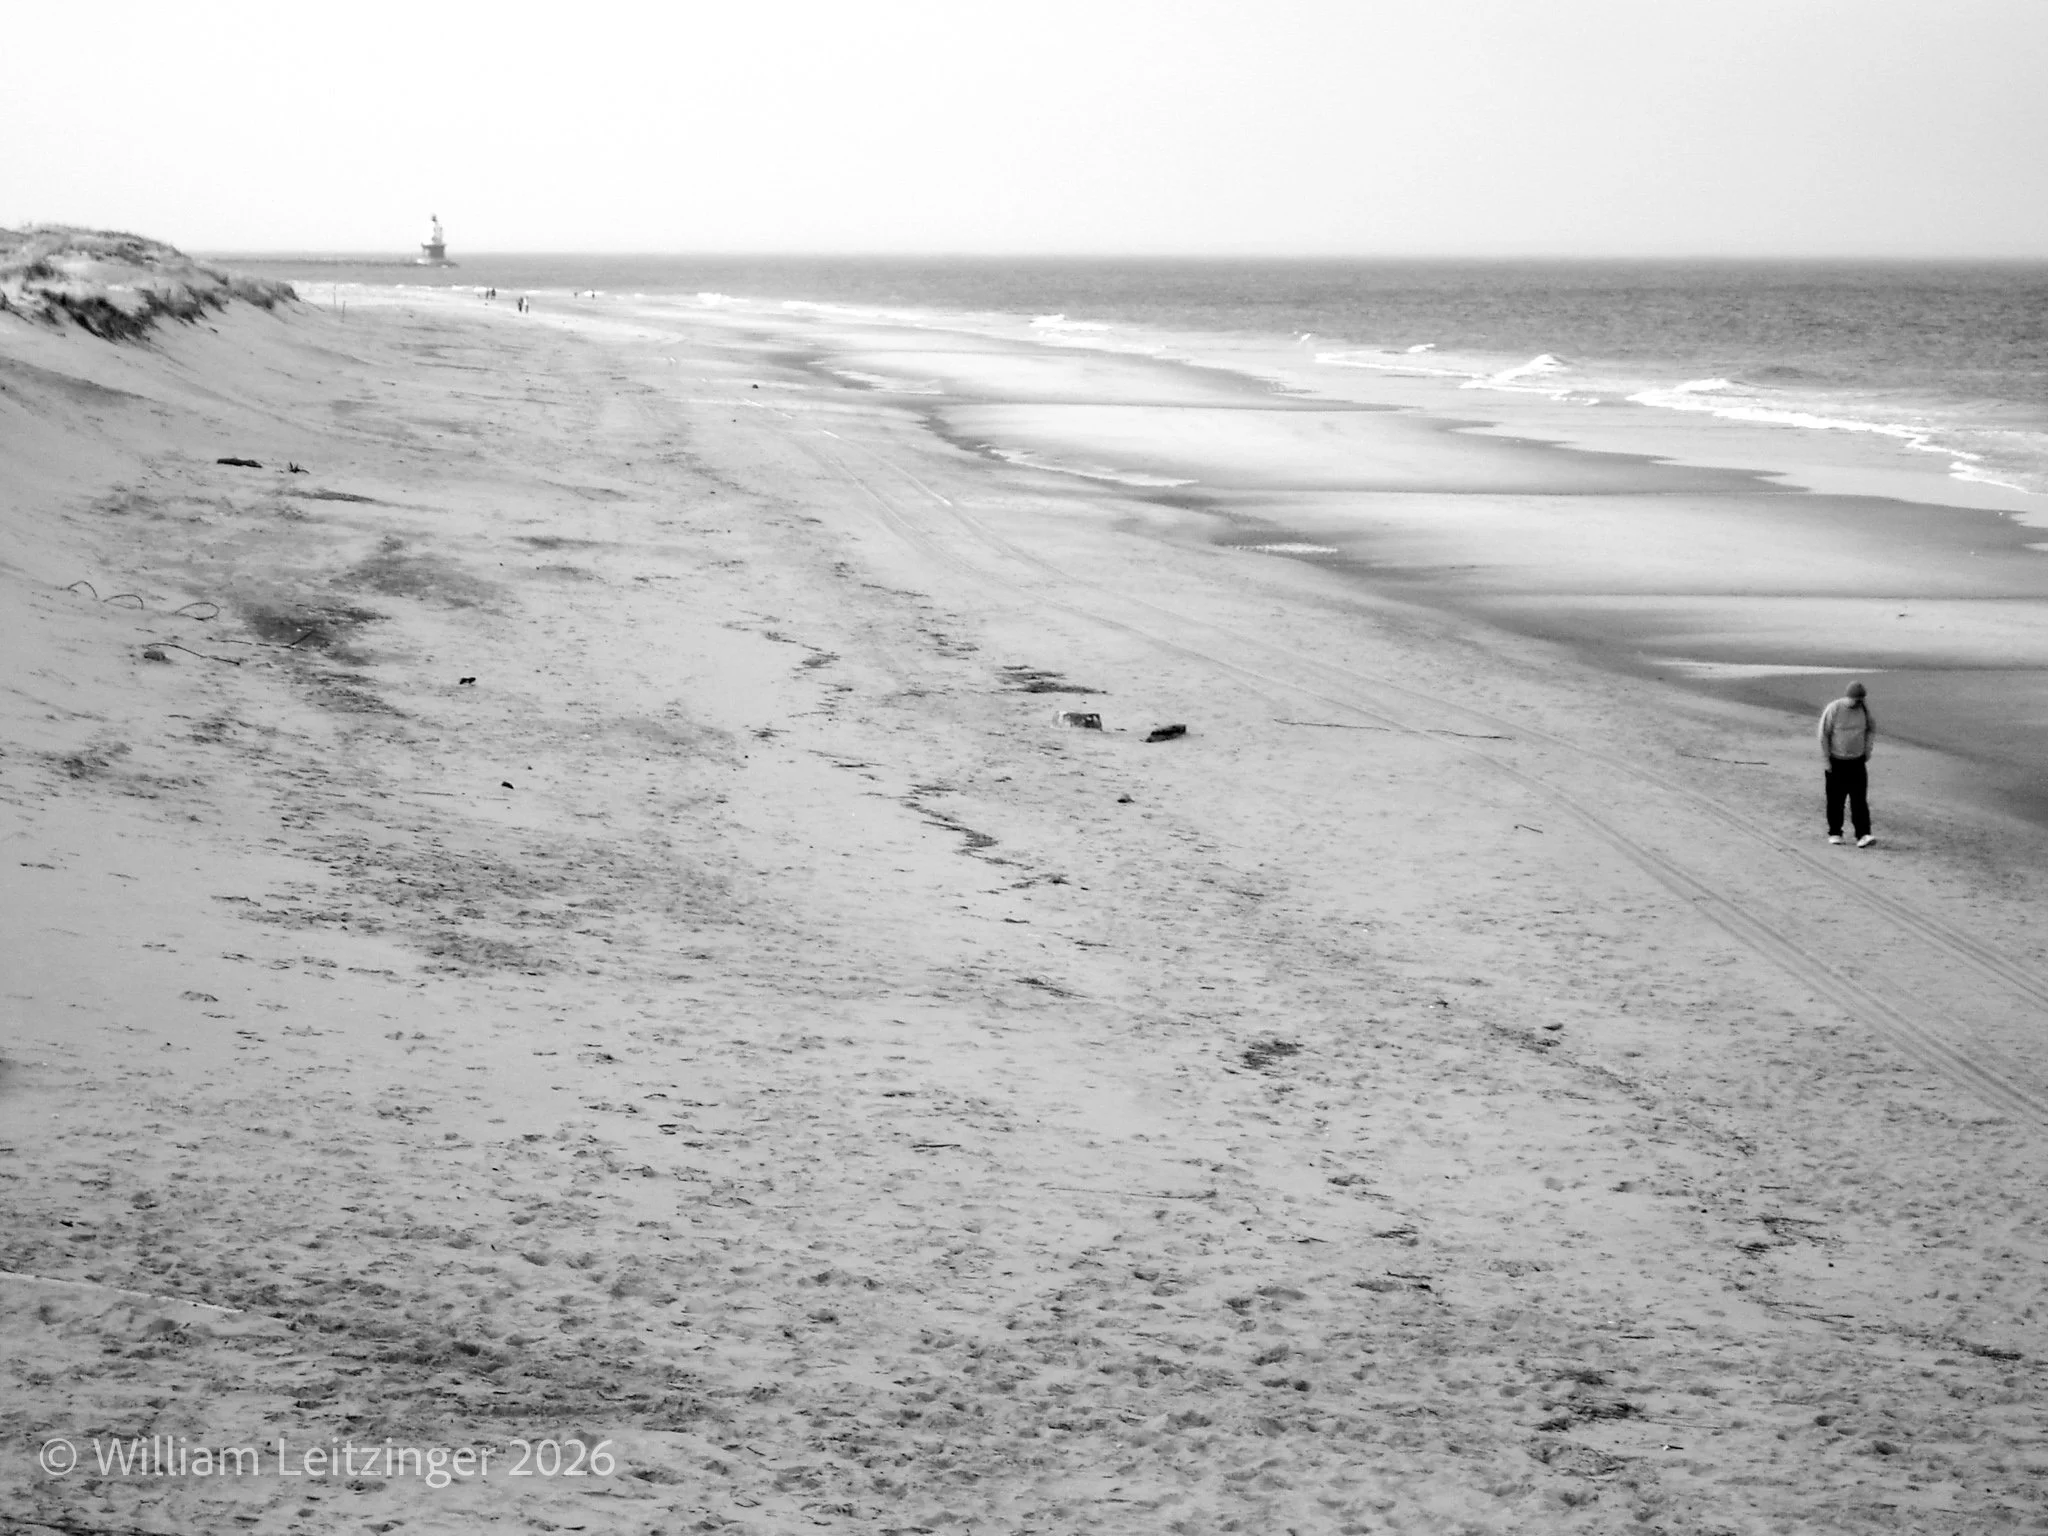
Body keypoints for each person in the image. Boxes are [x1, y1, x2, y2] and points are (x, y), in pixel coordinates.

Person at [1818, 681, 1876, 847]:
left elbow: (1871, 729)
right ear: (1848, 697)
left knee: (1859, 800)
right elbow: (1823, 734)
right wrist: (1826, 760)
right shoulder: (1834, 709)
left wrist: (1867, 749)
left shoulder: (1864, 710)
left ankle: (1863, 834)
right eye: (1856, 699)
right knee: (1836, 800)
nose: (1859, 703)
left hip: (1857, 762)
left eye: (1861, 699)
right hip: (1836, 761)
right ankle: (1835, 832)